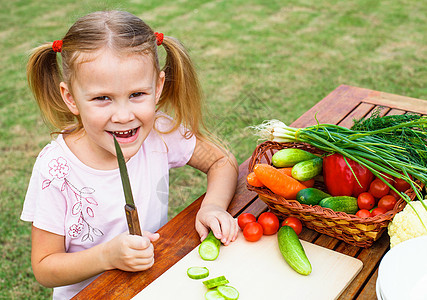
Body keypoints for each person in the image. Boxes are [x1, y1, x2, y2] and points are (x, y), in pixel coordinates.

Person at [21, 10, 239, 299]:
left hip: (152, 285)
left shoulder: (160, 131)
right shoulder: (55, 169)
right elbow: (45, 267)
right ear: (71, 97)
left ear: (158, 87)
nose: (124, 116)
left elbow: (221, 161)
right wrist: (106, 257)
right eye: (102, 98)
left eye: (137, 94)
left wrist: (212, 206)